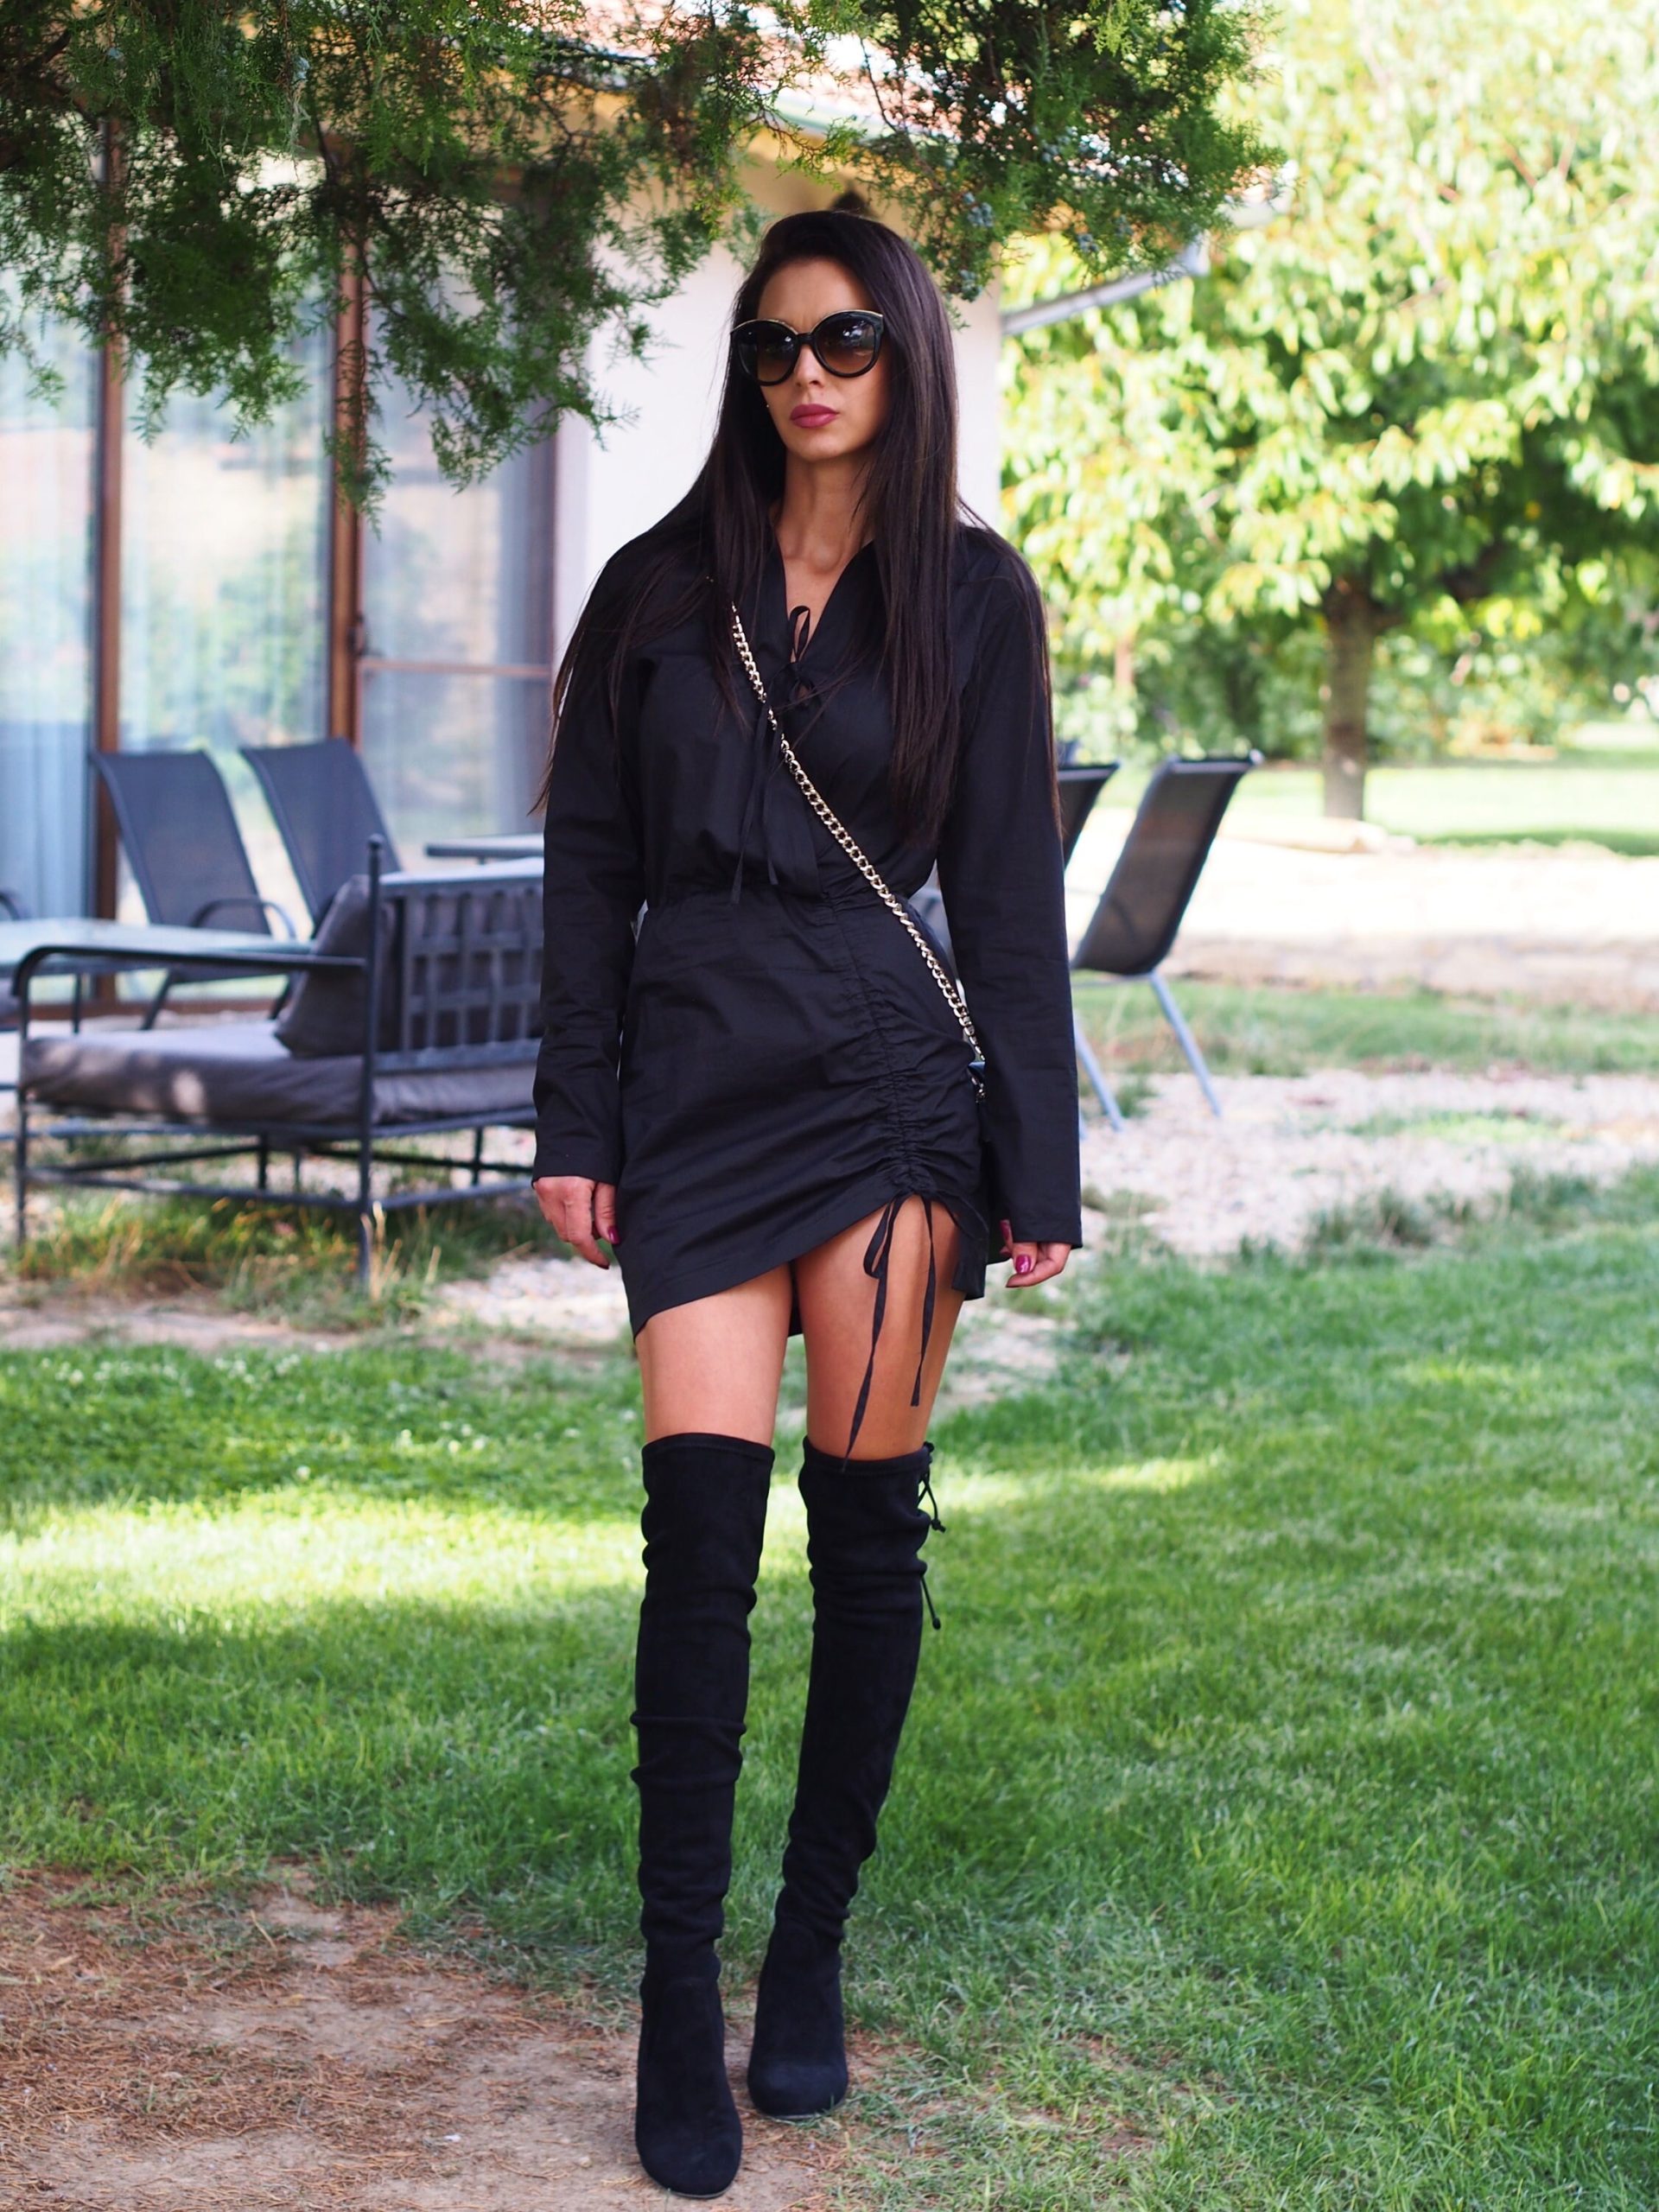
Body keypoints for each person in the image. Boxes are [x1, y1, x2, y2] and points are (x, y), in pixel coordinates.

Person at [531, 205, 1081, 2199]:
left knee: (866, 1540)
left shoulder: (976, 596)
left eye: (846, 339)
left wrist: (1039, 1156)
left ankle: (810, 1944)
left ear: (905, 355)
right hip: (693, 1078)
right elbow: (588, 871)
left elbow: (1006, 895)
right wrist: (572, 1114)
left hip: (882, 1095)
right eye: (774, 344)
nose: (808, 374)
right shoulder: (657, 585)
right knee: (697, 1548)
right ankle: (676, 1995)